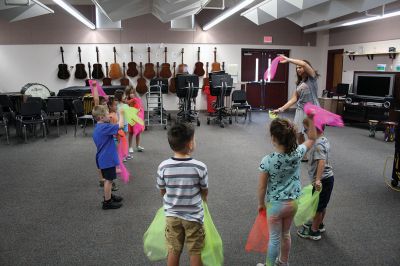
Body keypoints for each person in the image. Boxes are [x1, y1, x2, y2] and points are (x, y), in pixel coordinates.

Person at [257, 117, 316, 266]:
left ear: (273, 138)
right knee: (285, 234)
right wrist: (312, 119)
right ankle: (284, 262)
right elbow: (312, 138)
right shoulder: (297, 153)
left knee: (274, 238)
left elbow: (262, 187)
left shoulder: (267, 160)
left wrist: (260, 203)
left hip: (275, 205)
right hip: (293, 203)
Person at [157, 122, 208, 266]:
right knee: (195, 250)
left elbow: (162, 190)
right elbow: (204, 190)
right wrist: (204, 198)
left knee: (174, 249)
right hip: (194, 216)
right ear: (190, 144)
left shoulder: (163, 166)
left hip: (172, 215)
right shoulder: (200, 166)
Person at [272, 56, 320, 162]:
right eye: (297, 68)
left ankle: (319, 154)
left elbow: (304, 64)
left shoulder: (312, 78)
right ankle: (304, 153)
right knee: (298, 133)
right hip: (300, 110)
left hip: (311, 110)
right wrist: (281, 109)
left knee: (311, 134)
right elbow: (294, 98)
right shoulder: (299, 83)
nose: (298, 69)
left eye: (300, 67)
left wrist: (288, 60)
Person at [297, 120, 334, 241]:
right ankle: (319, 224)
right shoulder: (324, 140)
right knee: (322, 204)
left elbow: (321, 162)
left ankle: (314, 231)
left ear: (315, 130)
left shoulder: (318, 145)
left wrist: (317, 180)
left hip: (322, 180)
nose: (305, 132)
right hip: (327, 179)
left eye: (306, 130)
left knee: (318, 207)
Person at [92, 105, 124, 210]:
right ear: (101, 117)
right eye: (107, 115)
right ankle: (107, 202)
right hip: (107, 159)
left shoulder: (99, 127)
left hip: (103, 158)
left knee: (108, 179)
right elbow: (121, 125)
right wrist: (122, 114)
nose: (109, 116)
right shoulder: (105, 127)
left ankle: (108, 195)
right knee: (109, 180)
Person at [91, 80, 118, 191]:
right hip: (105, 132)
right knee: (104, 157)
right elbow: (96, 99)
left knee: (106, 154)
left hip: (108, 134)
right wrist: (95, 87)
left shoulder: (105, 109)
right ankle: (104, 180)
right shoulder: (100, 110)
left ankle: (107, 180)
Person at [124, 86, 145, 153]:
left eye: (133, 93)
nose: (132, 94)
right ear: (127, 94)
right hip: (131, 118)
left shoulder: (136, 99)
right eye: (130, 93)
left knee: (138, 132)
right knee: (131, 133)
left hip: (137, 117)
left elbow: (139, 105)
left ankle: (138, 145)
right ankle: (130, 147)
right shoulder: (128, 100)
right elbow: (126, 103)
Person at [114, 89, 133, 162]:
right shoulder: (120, 106)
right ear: (120, 97)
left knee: (123, 140)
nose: (126, 96)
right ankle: (122, 156)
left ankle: (125, 154)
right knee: (121, 141)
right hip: (120, 126)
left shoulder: (121, 105)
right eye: (124, 95)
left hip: (124, 124)